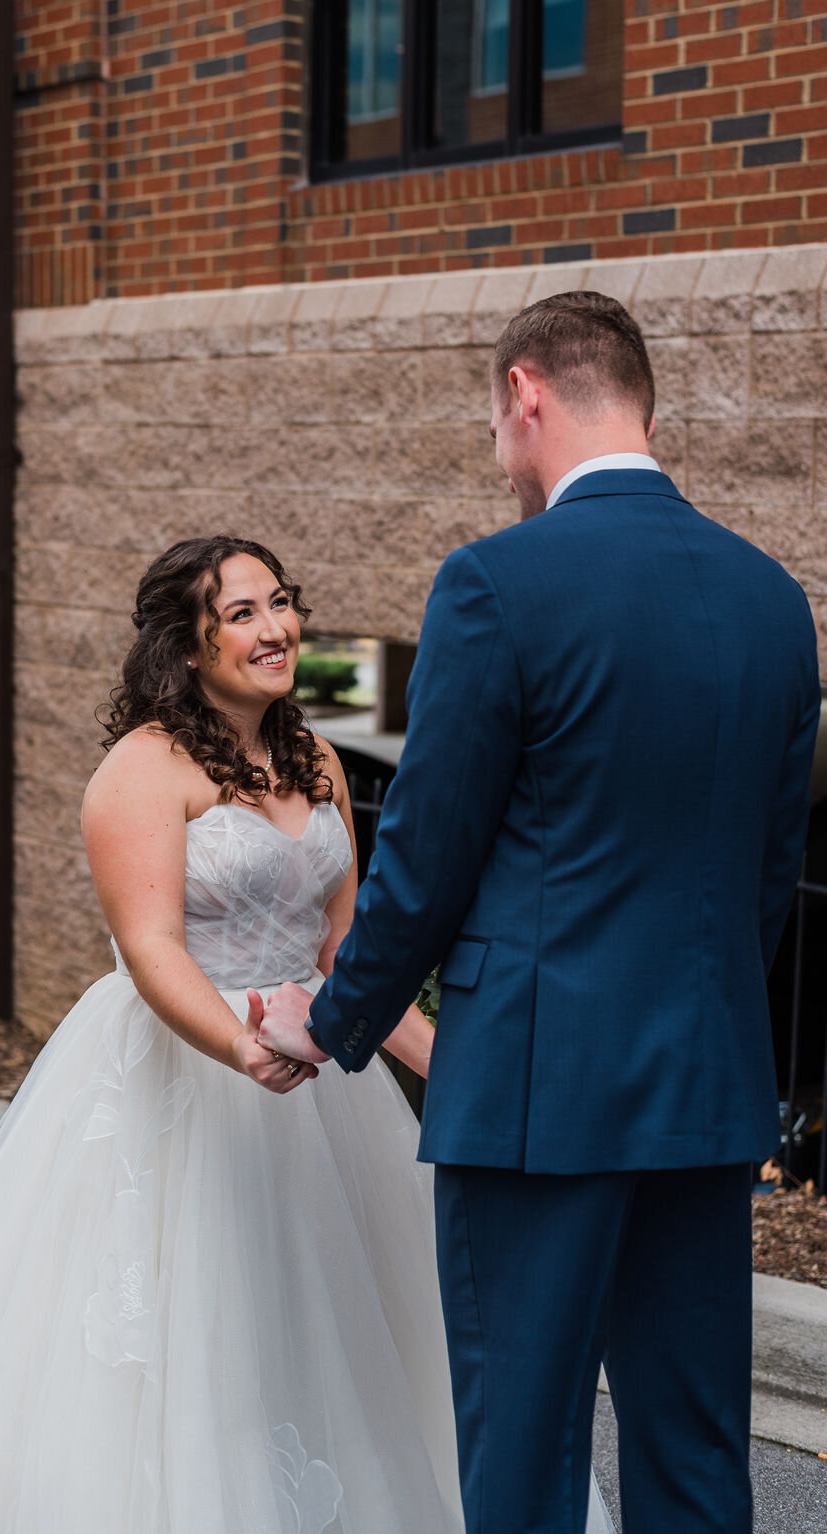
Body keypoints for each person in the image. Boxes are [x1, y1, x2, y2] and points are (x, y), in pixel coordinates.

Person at [0, 535, 617, 1533]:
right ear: (188, 645)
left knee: (345, 1334)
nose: (276, 628)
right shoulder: (140, 772)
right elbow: (151, 953)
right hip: (188, 1070)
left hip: (323, 1084)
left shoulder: (314, 755)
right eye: (242, 613)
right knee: (198, 1344)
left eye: (280, 603)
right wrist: (239, 1046)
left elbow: (344, 949)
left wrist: (444, 1063)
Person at [259, 292, 822, 1534]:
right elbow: (765, 878)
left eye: (494, 422)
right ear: (647, 409)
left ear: (526, 394)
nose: (497, 453)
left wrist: (337, 1020)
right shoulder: (776, 601)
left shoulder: (495, 587)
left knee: (523, 1455)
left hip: (532, 1098)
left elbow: (427, 853)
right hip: (702, 1089)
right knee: (692, 1456)